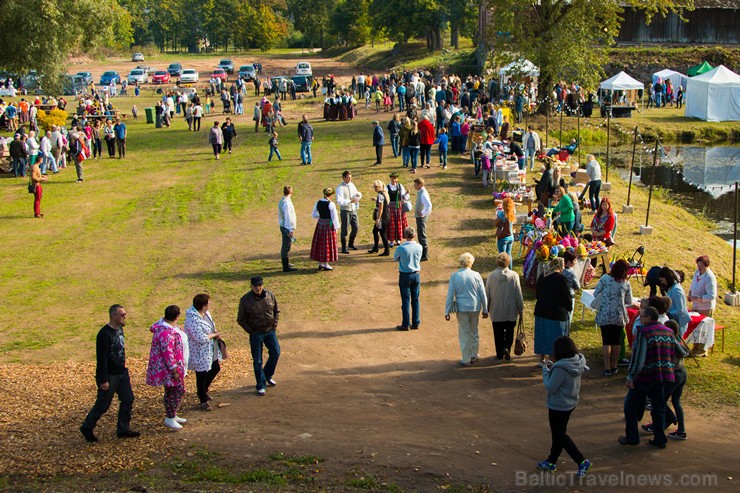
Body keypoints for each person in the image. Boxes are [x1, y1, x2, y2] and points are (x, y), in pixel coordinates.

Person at [621, 306, 686, 449]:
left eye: (642, 316)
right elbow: (682, 351)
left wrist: (631, 377)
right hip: (664, 375)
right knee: (658, 407)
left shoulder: (643, 332)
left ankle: (632, 437)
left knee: (630, 404)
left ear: (649, 318)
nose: (640, 318)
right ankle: (660, 439)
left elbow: (639, 357)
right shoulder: (668, 331)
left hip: (646, 375)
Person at [80, 304, 139, 442]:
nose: (125, 317)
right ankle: (87, 427)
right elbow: (101, 359)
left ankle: (123, 429)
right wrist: (103, 379)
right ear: (113, 316)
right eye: (122, 315)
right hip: (110, 375)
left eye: (125, 314)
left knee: (128, 399)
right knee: (103, 404)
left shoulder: (119, 329)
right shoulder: (104, 334)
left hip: (121, 372)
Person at [538, 336, 591, 477]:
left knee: (560, 435)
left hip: (558, 406)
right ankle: (551, 461)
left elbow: (550, 387)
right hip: (570, 403)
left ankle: (581, 461)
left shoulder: (560, 368)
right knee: (558, 434)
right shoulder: (576, 362)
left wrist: (545, 371)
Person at [146, 305, 188, 430]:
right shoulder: (165, 332)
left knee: (172, 391)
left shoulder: (170, 327)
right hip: (168, 369)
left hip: (175, 366)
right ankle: (170, 418)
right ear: (177, 316)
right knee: (177, 390)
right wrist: (174, 369)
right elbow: (168, 353)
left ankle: (172, 415)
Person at [237, 276, 280, 396]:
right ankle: (260, 385)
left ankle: (267, 375)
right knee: (258, 360)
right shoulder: (245, 300)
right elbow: (241, 319)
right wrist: (251, 331)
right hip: (256, 333)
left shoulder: (270, 295)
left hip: (270, 331)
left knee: (276, 353)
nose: (258, 288)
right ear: (251, 286)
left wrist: (274, 325)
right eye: (255, 286)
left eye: (260, 285)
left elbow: (276, 311)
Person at [444, 253, 489, 366]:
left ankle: (466, 359)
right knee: (474, 331)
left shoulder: (455, 276)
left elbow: (450, 295)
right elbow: (482, 293)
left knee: (464, 333)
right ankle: (474, 354)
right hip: (475, 307)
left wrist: (447, 311)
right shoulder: (476, 275)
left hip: (462, 307)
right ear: (471, 263)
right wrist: (485, 309)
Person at [592, 259, 633, 376]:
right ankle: (614, 365)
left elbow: (596, 293)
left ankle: (607, 367)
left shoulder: (605, 278)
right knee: (616, 342)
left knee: (606, 341)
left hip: (605, 314)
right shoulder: (625, 283)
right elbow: (629, 301)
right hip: (618, 315)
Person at [184, 294, 222, 411]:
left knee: (215, 368)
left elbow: (210, 326)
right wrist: (214, 335)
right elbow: (200, 338)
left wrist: (214, 331)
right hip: (199, 352)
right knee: (201, 375)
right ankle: (202, 399)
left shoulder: (206, 314)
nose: (210, 305)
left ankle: (204, 390)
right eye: (208, 303)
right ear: (204, 306)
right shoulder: (193, 320)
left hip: (210, 349)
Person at [534, 258, 573, 367]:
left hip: (541, 311)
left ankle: (541, 359)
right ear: (560, 266)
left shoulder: (543, 276)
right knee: (555, 339)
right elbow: (566, 296)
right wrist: (569, 307)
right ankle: (552, 361)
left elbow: (537, 294)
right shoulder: (561, 278)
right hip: (556, 314)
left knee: (543, 336)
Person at [485, 252, 523, 360]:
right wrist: (521, 307)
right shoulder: (514, 275)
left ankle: (499, 353)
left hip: (496, 309)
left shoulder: (491, 276)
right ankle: (507, 347)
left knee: (498, 333)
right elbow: (518, 293)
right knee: (510, 331)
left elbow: (487, 293)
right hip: (511, 309)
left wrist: (486, 308)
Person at [394, 226, 423, 331]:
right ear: (414, 235)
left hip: (405, 275)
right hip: (416, 275)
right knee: (415, 300)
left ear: (405, 236)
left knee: (406, 300)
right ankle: (416, 322)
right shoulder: (419, 247)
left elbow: (395, 258)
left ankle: (405, 323)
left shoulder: (402, 248)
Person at [688, 255, 717, 355]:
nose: (699, 268)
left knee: (704, 327)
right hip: (696, 305)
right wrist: (690, 294)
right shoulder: (697, 273)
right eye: (698, 265)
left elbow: (712, 295)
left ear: (706, 265)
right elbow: (693, 285)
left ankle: (703, 349)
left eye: (701, 266)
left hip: (706, 306)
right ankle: (695, 347)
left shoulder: (710, 277)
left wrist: (699, 298)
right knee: (696, 327)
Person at [310, 187, 340, 270]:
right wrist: (336, 227)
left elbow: (313, 214)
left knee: (320, 243)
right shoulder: (331, 204)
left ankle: (320, 263)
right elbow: (334, 217)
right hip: (328, 226)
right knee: (326, 244)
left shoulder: (318, 202)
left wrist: (321, 216)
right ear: (330, 195)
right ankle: (326, 264)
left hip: (320, 224)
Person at [658, 267, 691, 338]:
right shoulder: (671, 288)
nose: (662, 282)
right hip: (675, 320)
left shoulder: (676, 290)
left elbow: (680, 310)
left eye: (663, 280)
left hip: (680, 322)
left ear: (668, 278)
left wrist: (667, 313)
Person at [336, 170, 362, 254]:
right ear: (343, 178)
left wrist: (357, 199)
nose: (349, 179)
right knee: (345, 229)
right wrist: (349, 201)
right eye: (347, 177)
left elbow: (356, 194)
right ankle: (344, 247)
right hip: (345, 210)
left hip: (353, 209)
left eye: (350, 177)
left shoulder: (352, 185)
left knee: (356, 227)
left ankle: (351, 243)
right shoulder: (340, 188)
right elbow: (340, 201)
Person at [278, 185, 298, 272]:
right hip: (286, 227)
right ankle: (285, 266)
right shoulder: (287, 203)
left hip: (283, 225)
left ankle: (286, 263)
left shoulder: (283, 201)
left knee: (286, 246)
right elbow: (288, 217)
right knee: (286, 246)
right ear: (291, 192)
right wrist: (290, 229)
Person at [386, 172, 410, 246]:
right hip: (391, 207)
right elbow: (385, 197)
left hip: (399, 207)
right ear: (390, 179)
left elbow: (403, 197)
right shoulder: (387, 187)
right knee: (391, 223)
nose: (394, 180)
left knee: (399, 222)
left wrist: (406, 193)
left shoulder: (400, 186)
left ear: (397, 179)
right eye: (392, 178)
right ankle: (391, 240)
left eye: (395, 178)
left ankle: (398, 239)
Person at [368, 180, 391, 256]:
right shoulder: (384, 194)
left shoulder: (380, 195)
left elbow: (380, 208)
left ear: (379, 187)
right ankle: (376, 247)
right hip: (385, 217)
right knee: (375, 231)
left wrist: (378, 219)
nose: (374, 188)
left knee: (382, 234)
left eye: (375, 187)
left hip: (382, 218)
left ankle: (386, 250)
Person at [413, 177, 432, 261]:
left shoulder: (423, 193)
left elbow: (429, 205)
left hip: (421, 217)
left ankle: (424, 255)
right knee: (420, 234)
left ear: (420, 185)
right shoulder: (420, 192)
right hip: (420, 216)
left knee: (422, 234)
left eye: (415, 184)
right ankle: (423, 253)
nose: (414, 186)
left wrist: (423, 213)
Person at [494, 197, 516, 268]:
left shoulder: (502, 213)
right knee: (509, 254)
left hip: (503, 237)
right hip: (511, 237)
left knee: (502, 256)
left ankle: (503, 270)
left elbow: (495, 223)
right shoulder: (512, 213)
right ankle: (510, 269)